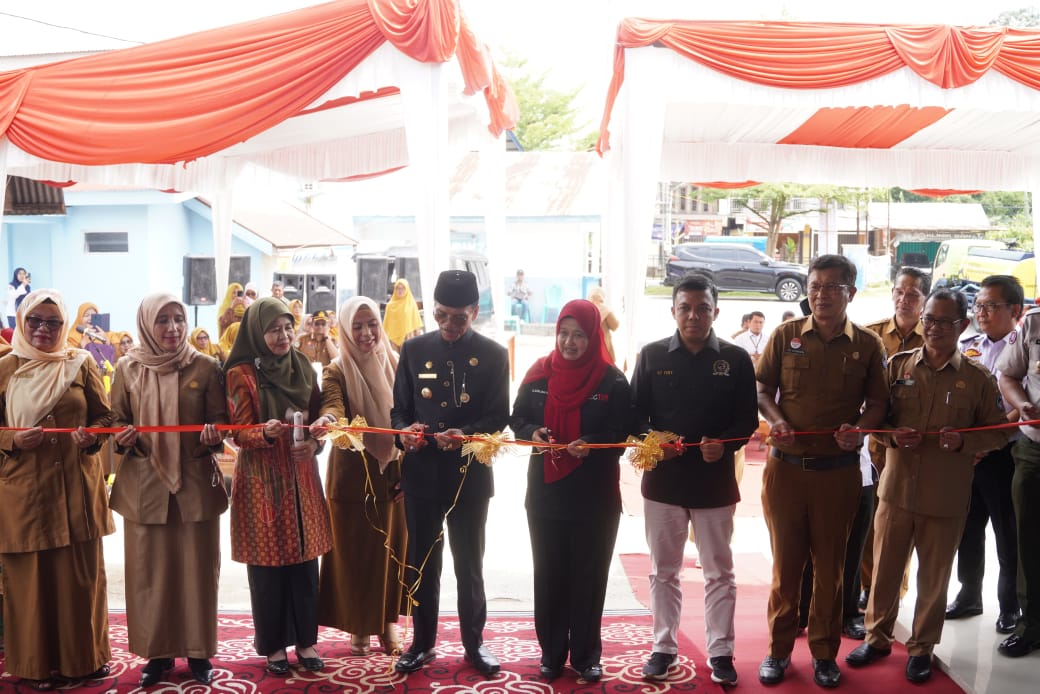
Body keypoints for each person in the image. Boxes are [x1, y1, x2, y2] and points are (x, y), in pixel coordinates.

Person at [846, 289, 1009, 683]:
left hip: (945, 495)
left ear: (963, 325)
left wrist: (965, 441)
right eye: (929, 319)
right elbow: (874, 419)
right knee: (885, 570)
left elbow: (998, 433)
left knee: (934, 578)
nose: (934, 328)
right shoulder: (898, 366)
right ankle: (877, 638)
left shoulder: (977, 378)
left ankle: (921, 647)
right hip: (897, 491)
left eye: (944, 322)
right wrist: (891, 435)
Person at [755, 254, 888, 688]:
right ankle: (778, 652)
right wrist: (776, 420)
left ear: (851, 292)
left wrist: (861, 430)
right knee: (786, 567)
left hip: (838, 473)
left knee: (831, 569)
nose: (821, 294)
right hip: (786, 471)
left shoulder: (867, 344)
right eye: (815, 285)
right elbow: (762, 388)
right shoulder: (786, 335)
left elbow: (879, 403)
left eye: (832, 286)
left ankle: (825, 654)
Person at [631, 273, 758, 687]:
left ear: (715, 312)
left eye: (702, 308)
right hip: (663, 483)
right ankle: (663, 647)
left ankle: (720, 651)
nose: (693, 316)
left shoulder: (735, 360)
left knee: (719, 571)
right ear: (673, 311)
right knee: (663, 570)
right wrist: (654, 442)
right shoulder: (652, 356)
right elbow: (634, 417)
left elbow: (746, 420)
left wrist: (726, 444)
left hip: (714, 482)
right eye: (685, 308)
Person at [390, 270, 509, 677]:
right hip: (422, 474)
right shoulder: (414, 349)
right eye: (441, 315)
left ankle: (474, 643)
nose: (449, 325)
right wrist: (405, 434)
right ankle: (422, 643)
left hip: (468, 476)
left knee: (469, 565)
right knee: (422, 563)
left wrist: (467, 434)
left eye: (459, 317)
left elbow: (498, 416)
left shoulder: (494, 355)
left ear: (475, 311)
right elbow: (399, 411)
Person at [109, 293, 229, 686]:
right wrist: (122, 436)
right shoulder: (127, 368)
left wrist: (214, 436)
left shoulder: (206, 366)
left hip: (194, 485)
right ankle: (157, 654)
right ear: (147, 324)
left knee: (198, 572)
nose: (173, 328)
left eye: (178, 318)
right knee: (151, 574)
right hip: (145, 485)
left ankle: (198, 652)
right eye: (162, 320)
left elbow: (219, 422)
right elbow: (116, 421)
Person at [510, 299, 632, 683]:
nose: (569, 342)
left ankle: (585, 655)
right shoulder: (538, 375)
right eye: (564, 333)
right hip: (546, 494)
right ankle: (551, 652)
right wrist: (531, 432)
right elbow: (517, 418)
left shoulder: (612, 381)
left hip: (595, 496)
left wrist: (592, 443)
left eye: (579, 335)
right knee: (549, 573)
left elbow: (623, 434)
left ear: (593, 336)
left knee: (588, 576)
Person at [0, 289, 114, 690]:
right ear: (21, 322)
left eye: (53, 322)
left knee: (78, 581)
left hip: (75, 488)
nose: (43, 329)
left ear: (65, 325)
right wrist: (12, 439)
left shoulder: (81, 363)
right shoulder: (5, 367)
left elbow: (105, 418)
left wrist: (92, 437)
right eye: (34, 320)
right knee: (31, 585)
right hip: (24, 493)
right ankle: (34, 665)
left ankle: (85, 660)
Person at [224, 297, 332, 675]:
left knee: (304, 561)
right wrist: (263, 433)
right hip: (262, 479)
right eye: (273, 329)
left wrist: (316, 442)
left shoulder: (302, 365)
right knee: (268, 566)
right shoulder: (240, 374)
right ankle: (273, 647)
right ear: (257, 332)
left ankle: (306, 642)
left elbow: (319, 418)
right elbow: (238, 431)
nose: (283, 336)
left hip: (301, 473)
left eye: (288, 328)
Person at [310, 297, 407, 657]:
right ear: (346, 331)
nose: (366, 333)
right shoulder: (336, 369)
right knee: (354, 554)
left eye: (372, 324)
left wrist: (412, 472)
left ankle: (387, 622)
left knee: (391, 551)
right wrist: (329, 420)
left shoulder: (397, 363)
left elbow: (412, 416)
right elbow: (332, 404)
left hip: (394, 471)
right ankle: (358, 624)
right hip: (353, 474)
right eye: (357, 326)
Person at [946, 275, 1022, 634]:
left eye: (991, 306)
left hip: (1005, 454)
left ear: (1015, 310)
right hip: (967, 455)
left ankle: (1010, 606)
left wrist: (987, 442)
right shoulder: (967, 345)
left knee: (1007, 533)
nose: (982, 313)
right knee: (967, 527)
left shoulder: (1024, 348)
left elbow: (1020, 407)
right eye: (979, 306)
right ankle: (969, 595)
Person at [859, 267, 928, 615]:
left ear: (925, 300)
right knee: (870, 522)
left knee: (903, 526)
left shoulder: (933, 339)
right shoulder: (870, 335)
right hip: (873, 447)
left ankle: (893, 590)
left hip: (913, 451)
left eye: (913, 294)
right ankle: (868, 587)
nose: (904, 299)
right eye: (899, 292)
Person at [994, 305, 1040, 658]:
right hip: (1034, 451)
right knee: (1029, 541)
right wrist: (1022, 404)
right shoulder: (1034, 323)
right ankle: (1031, 626)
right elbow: (1006, 375)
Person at [383, 278, 424, 351]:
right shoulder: (390, 306)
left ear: (407, 289)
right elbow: (386, 324)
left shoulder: (411, 304)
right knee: (395, 358)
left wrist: (418, 339)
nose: (400, 291)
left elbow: (416, 322)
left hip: (408, 337)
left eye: (403, 288)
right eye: (398, 288)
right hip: (393, 339)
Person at [586, 286, 620, 363]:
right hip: (604, 347)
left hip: (589, 348)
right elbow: (615, 326)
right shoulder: (605, 309)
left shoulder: (586, 309)